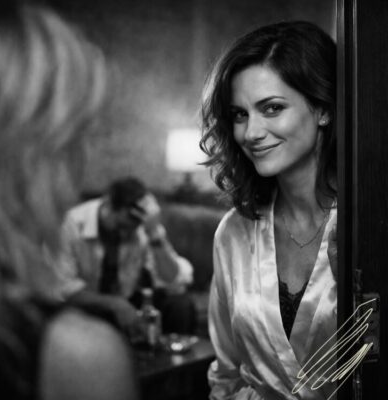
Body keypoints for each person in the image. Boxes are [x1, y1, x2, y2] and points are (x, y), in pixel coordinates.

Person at [0, 2, 139, 400]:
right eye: (80, 134)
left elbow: (171, 276)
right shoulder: (77, 355)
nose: (86, 159)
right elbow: (62, 285)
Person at [200, 21, 337, 399]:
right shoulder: (234, 231)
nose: (251, 133)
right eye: (239, 114)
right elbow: (226, 372)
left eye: (272, 108)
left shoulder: (368, 223)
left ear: (323, 109)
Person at [60, 177, 197, 334]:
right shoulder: (72, 223)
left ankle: (175, 348)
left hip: (129, 299)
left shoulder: (142, 225)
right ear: (108, 204)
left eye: (131, 230)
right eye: (121, 227)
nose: (125, 234)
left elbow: (173, 280)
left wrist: (154, 234)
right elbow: (63, 288)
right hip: (89, 303)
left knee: (180, 304)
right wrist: (114, 304)